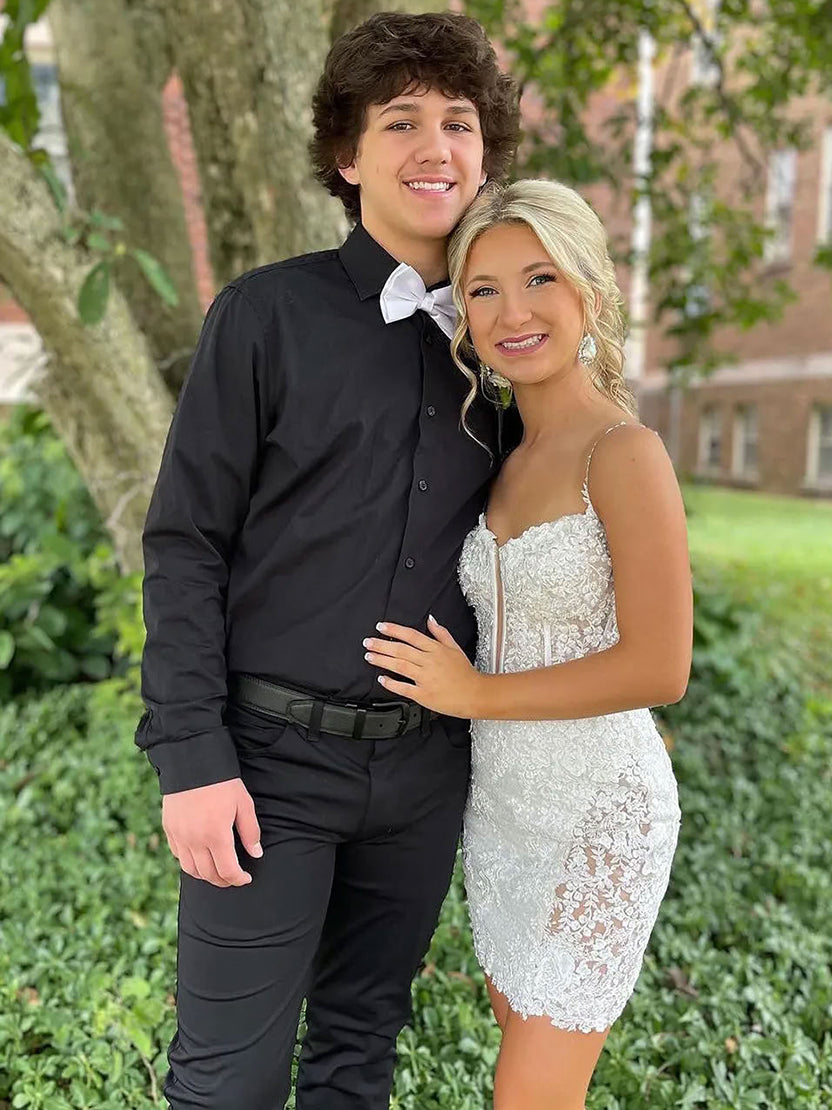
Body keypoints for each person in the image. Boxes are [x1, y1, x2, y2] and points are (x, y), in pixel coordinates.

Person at [134, 13, 520, 1108]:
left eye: (459, 121)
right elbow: (185, 542)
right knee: (228, 1081)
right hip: (267, 765)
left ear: (485, 151)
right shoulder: (265, 316)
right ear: (348, 157)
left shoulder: (505, 345)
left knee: (358, 1054)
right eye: (402, 121)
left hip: (424, 771)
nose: (435, 146)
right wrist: (191, 759)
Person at [362, 179, 692, 1109]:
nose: (513, 313)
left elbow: (661, 667)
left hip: (598, 814)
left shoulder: (623, 453)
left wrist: (474, 695)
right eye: (484, 289)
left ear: (589, 287)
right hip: (502, 814)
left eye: (540, 278)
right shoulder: (501, 456)